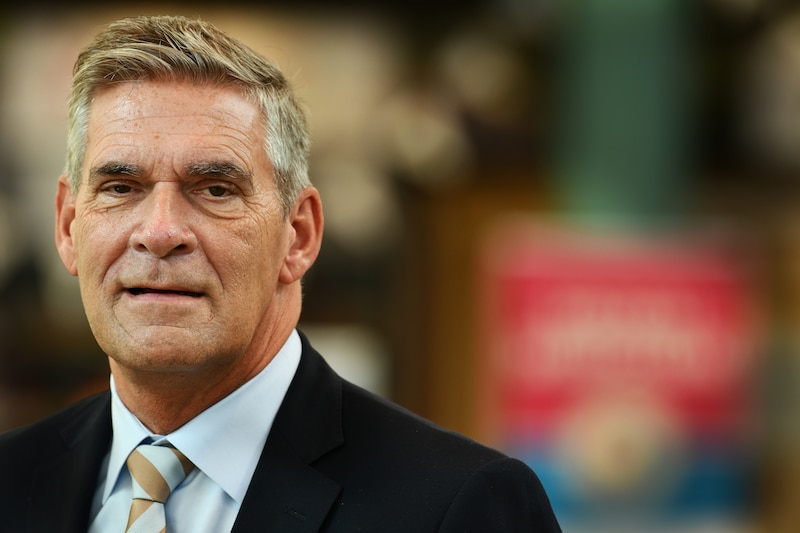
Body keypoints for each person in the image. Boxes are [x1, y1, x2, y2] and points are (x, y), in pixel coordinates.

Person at [0, 14, 561, 533]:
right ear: (68, 226)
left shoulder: (461, 506)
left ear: (299, 235)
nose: (161, 231)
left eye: (215, 189)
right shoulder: (11, 480)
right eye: (121, 187)